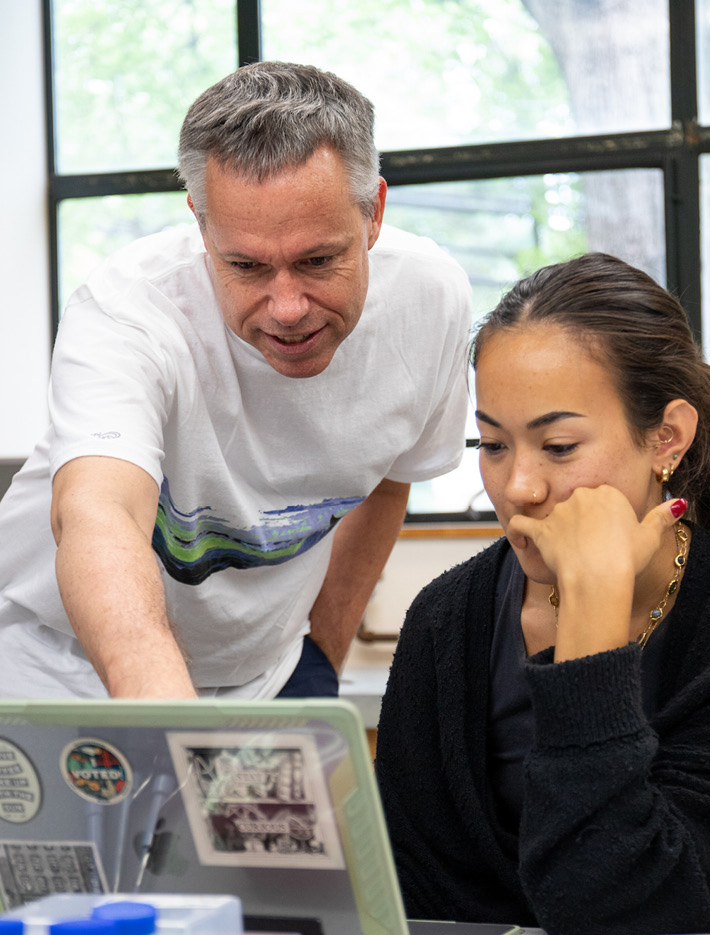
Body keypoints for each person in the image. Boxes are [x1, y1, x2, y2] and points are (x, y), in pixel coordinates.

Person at [0, 61, 470, 700]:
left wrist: (320, 663)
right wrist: (169, 721)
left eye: (318, 261)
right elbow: (98, 512)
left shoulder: (429, 300)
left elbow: (388, 481)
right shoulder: (128, 311)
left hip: (263, 676)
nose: (287, 307)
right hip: (59, 669)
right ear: (199, 222)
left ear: (374, 213)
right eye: (245, 265)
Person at [375, 252, 710, 935]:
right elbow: (407, 899)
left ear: (666, 438)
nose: (518, 486)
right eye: (492, 444)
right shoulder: (446, 620)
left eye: (557, 446)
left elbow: (623, 905)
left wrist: (591, 613)